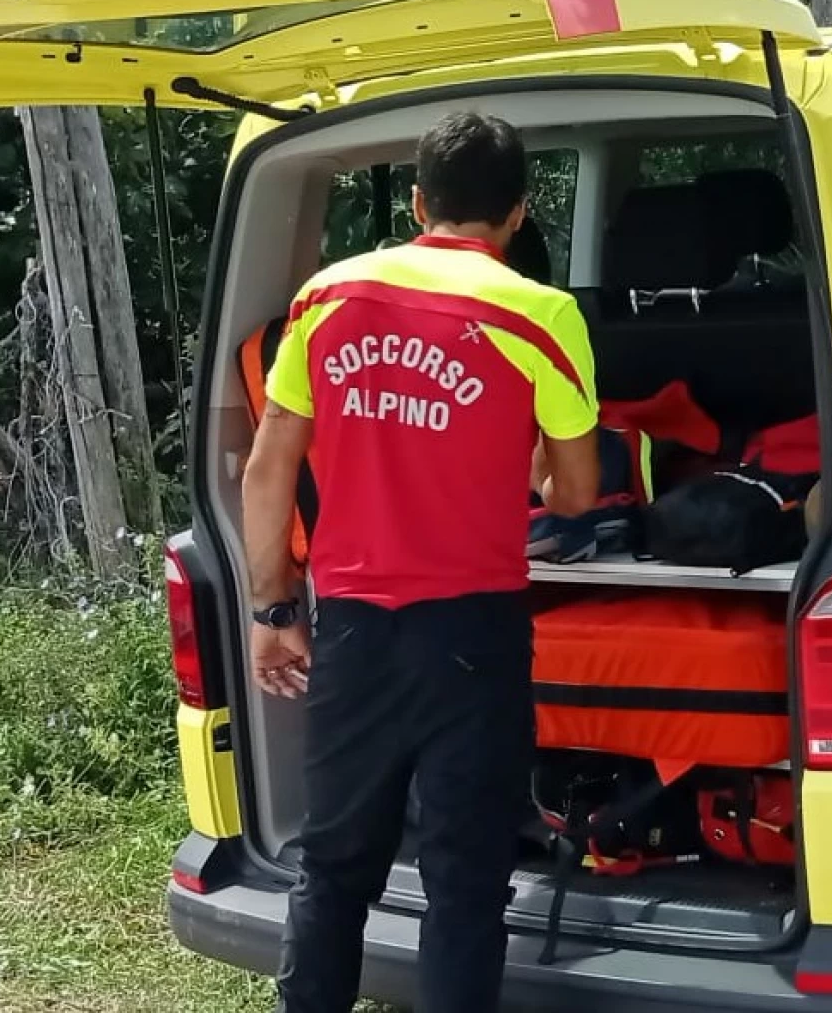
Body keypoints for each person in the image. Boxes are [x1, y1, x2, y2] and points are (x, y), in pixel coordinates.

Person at [240, 111, 601, 1013]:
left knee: (332, 868)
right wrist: (528, 472)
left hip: (353, 630)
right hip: (473, 636)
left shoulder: (326, 298)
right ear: (518, 214)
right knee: (465, 883)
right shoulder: (543, 313)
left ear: (417, 201)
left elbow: (267, 467)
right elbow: (577, 495)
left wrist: (273, 612)